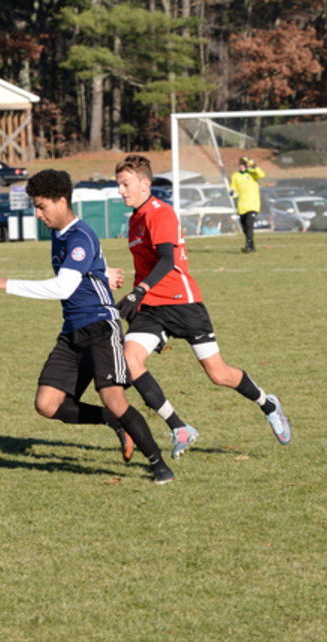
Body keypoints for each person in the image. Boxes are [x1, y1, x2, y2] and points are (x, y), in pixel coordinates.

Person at [0, 168, 174, 485]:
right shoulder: (59, 236)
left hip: (100, 328)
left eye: (42, 206)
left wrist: (8, 284)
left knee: (114, 399)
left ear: (61, 201)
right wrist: (104, 271)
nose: (38, 214)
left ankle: (159, 465)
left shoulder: (79, 236)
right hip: (72, 331)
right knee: (47, 405)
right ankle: (112, 421)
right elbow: (86, 268)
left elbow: (63, 287)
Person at [114, 154, 291, 460]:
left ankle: (268, 404)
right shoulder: (134, 219)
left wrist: (139, 291)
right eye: (119, 184)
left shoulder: (160, 213)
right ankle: (179, 427)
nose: (121, 190)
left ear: (144, 184)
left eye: (125, 184)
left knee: (219, 374)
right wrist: (138, 296)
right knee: (130, 361)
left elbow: (167, 261)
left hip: (183, 304)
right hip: (151, 307)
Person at [229, 156, 265, 252]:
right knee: (245, 227)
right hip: (242, 206)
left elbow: (262, 174)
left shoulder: (252, 173)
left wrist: (253, 164)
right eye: (240, 164)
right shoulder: (235, 175)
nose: (242, 166)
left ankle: (248, 245)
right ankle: (251, 246)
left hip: (253, 205)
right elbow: (233, 188)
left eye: (243, 164)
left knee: (249, 223)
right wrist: (232, 193)